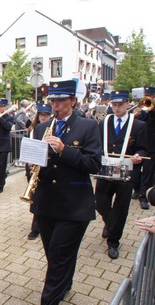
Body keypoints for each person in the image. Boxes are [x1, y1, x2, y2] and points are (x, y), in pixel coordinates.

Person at [30, 80, 101, 305]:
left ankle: (49, 299)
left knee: (59, 257)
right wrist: (30, 163)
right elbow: (36, 160)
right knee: (54, 254)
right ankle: (65, 283)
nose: (55, 105)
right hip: (46, 202)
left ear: (73, 101)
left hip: (74, 204)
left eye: (61, 100)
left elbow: (93, 164)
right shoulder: (41, 127)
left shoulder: (88, 126)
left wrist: (64, 150)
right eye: (53, 100)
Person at [95, 90, 148, 259]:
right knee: (100, 203)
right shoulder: (104, 123)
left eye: (120, 104)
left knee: (121, 208)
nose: (117, 108)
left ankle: (113, 241)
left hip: (126, 173)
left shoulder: (138, 125)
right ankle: (110, 224)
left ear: (127, 104)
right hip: (106, 171)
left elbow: (143, 148)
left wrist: (139, 155)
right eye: (114, 105)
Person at [25, 101, 53, 240]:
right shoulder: (34, 128)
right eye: (41, 115)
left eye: (46, 115)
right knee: (34, 196)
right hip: (32, 164)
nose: (43, 117)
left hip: (46, 165)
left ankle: (37, 227)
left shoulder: (52, 128)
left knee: (41, 196)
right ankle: (37, 225)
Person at [137, 87, 155, 209]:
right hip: (144, 145)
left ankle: (147, 195)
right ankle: (139, 192)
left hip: (153, 144)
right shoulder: (142, 110)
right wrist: (141, 111)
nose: (149, 98)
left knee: (150, 172)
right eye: (147, 95)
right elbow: (139, 122)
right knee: (141, 172)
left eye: (151, 95)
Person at [0, 98, 15, 194]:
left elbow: (9, 127)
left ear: (5, 107)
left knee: (1, 167)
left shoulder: (8, 117)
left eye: (1, 106)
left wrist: (0, 118)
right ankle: (3, 176)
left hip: (4, 145)